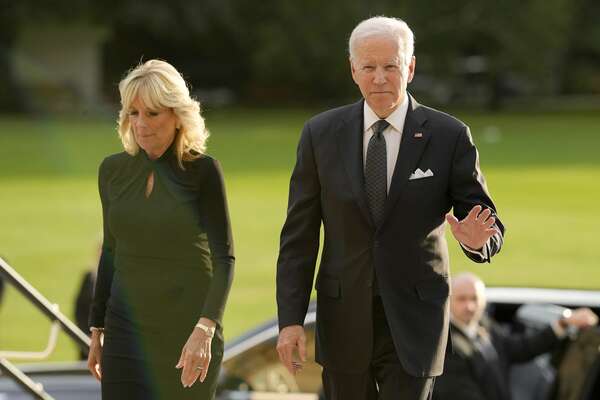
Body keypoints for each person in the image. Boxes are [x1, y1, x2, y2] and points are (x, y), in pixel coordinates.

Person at [276, 16, 505, 400]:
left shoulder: (448, 136)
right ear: (353, 70)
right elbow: (298, 238)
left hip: (415, 323)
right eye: (368, 67)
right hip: (343, 318)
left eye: (391, 66)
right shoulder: (319, 135)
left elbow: (487, 224)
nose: (379, 77)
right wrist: (290, 321)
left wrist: (478, 241)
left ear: (410, 67)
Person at [86, 59, 235, 400]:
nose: (141, 124)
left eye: (152, 114)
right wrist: (97, 329)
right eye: (133, 113)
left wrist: (205, 328)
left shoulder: (204, 172)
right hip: (125, 330)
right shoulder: (112, 171)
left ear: (177, 115)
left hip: (187, 331)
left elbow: (224, 257)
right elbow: (111, 250)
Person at [433, 272, 598, 400]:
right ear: (449, 300)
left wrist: (563, 323)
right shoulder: (446, 345)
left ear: (483, 301)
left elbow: (518, 348)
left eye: (474, 299)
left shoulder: (482, 324)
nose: (469, 306)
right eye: (461, 299)